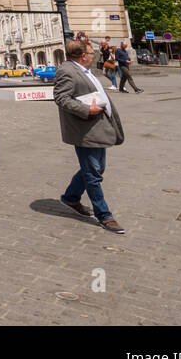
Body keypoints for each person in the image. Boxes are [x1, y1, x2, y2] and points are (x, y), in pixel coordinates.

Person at [55, 38, 126, 234]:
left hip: (96, 127)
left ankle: (71, 197)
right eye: (91, 52)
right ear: (82, 56)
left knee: (95, 168)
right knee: (93, 173)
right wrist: (87, 109)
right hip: (85, 130)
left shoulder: (83, 70)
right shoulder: (67, 71)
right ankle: (105, 216)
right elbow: (61, 98)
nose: (94, 55)